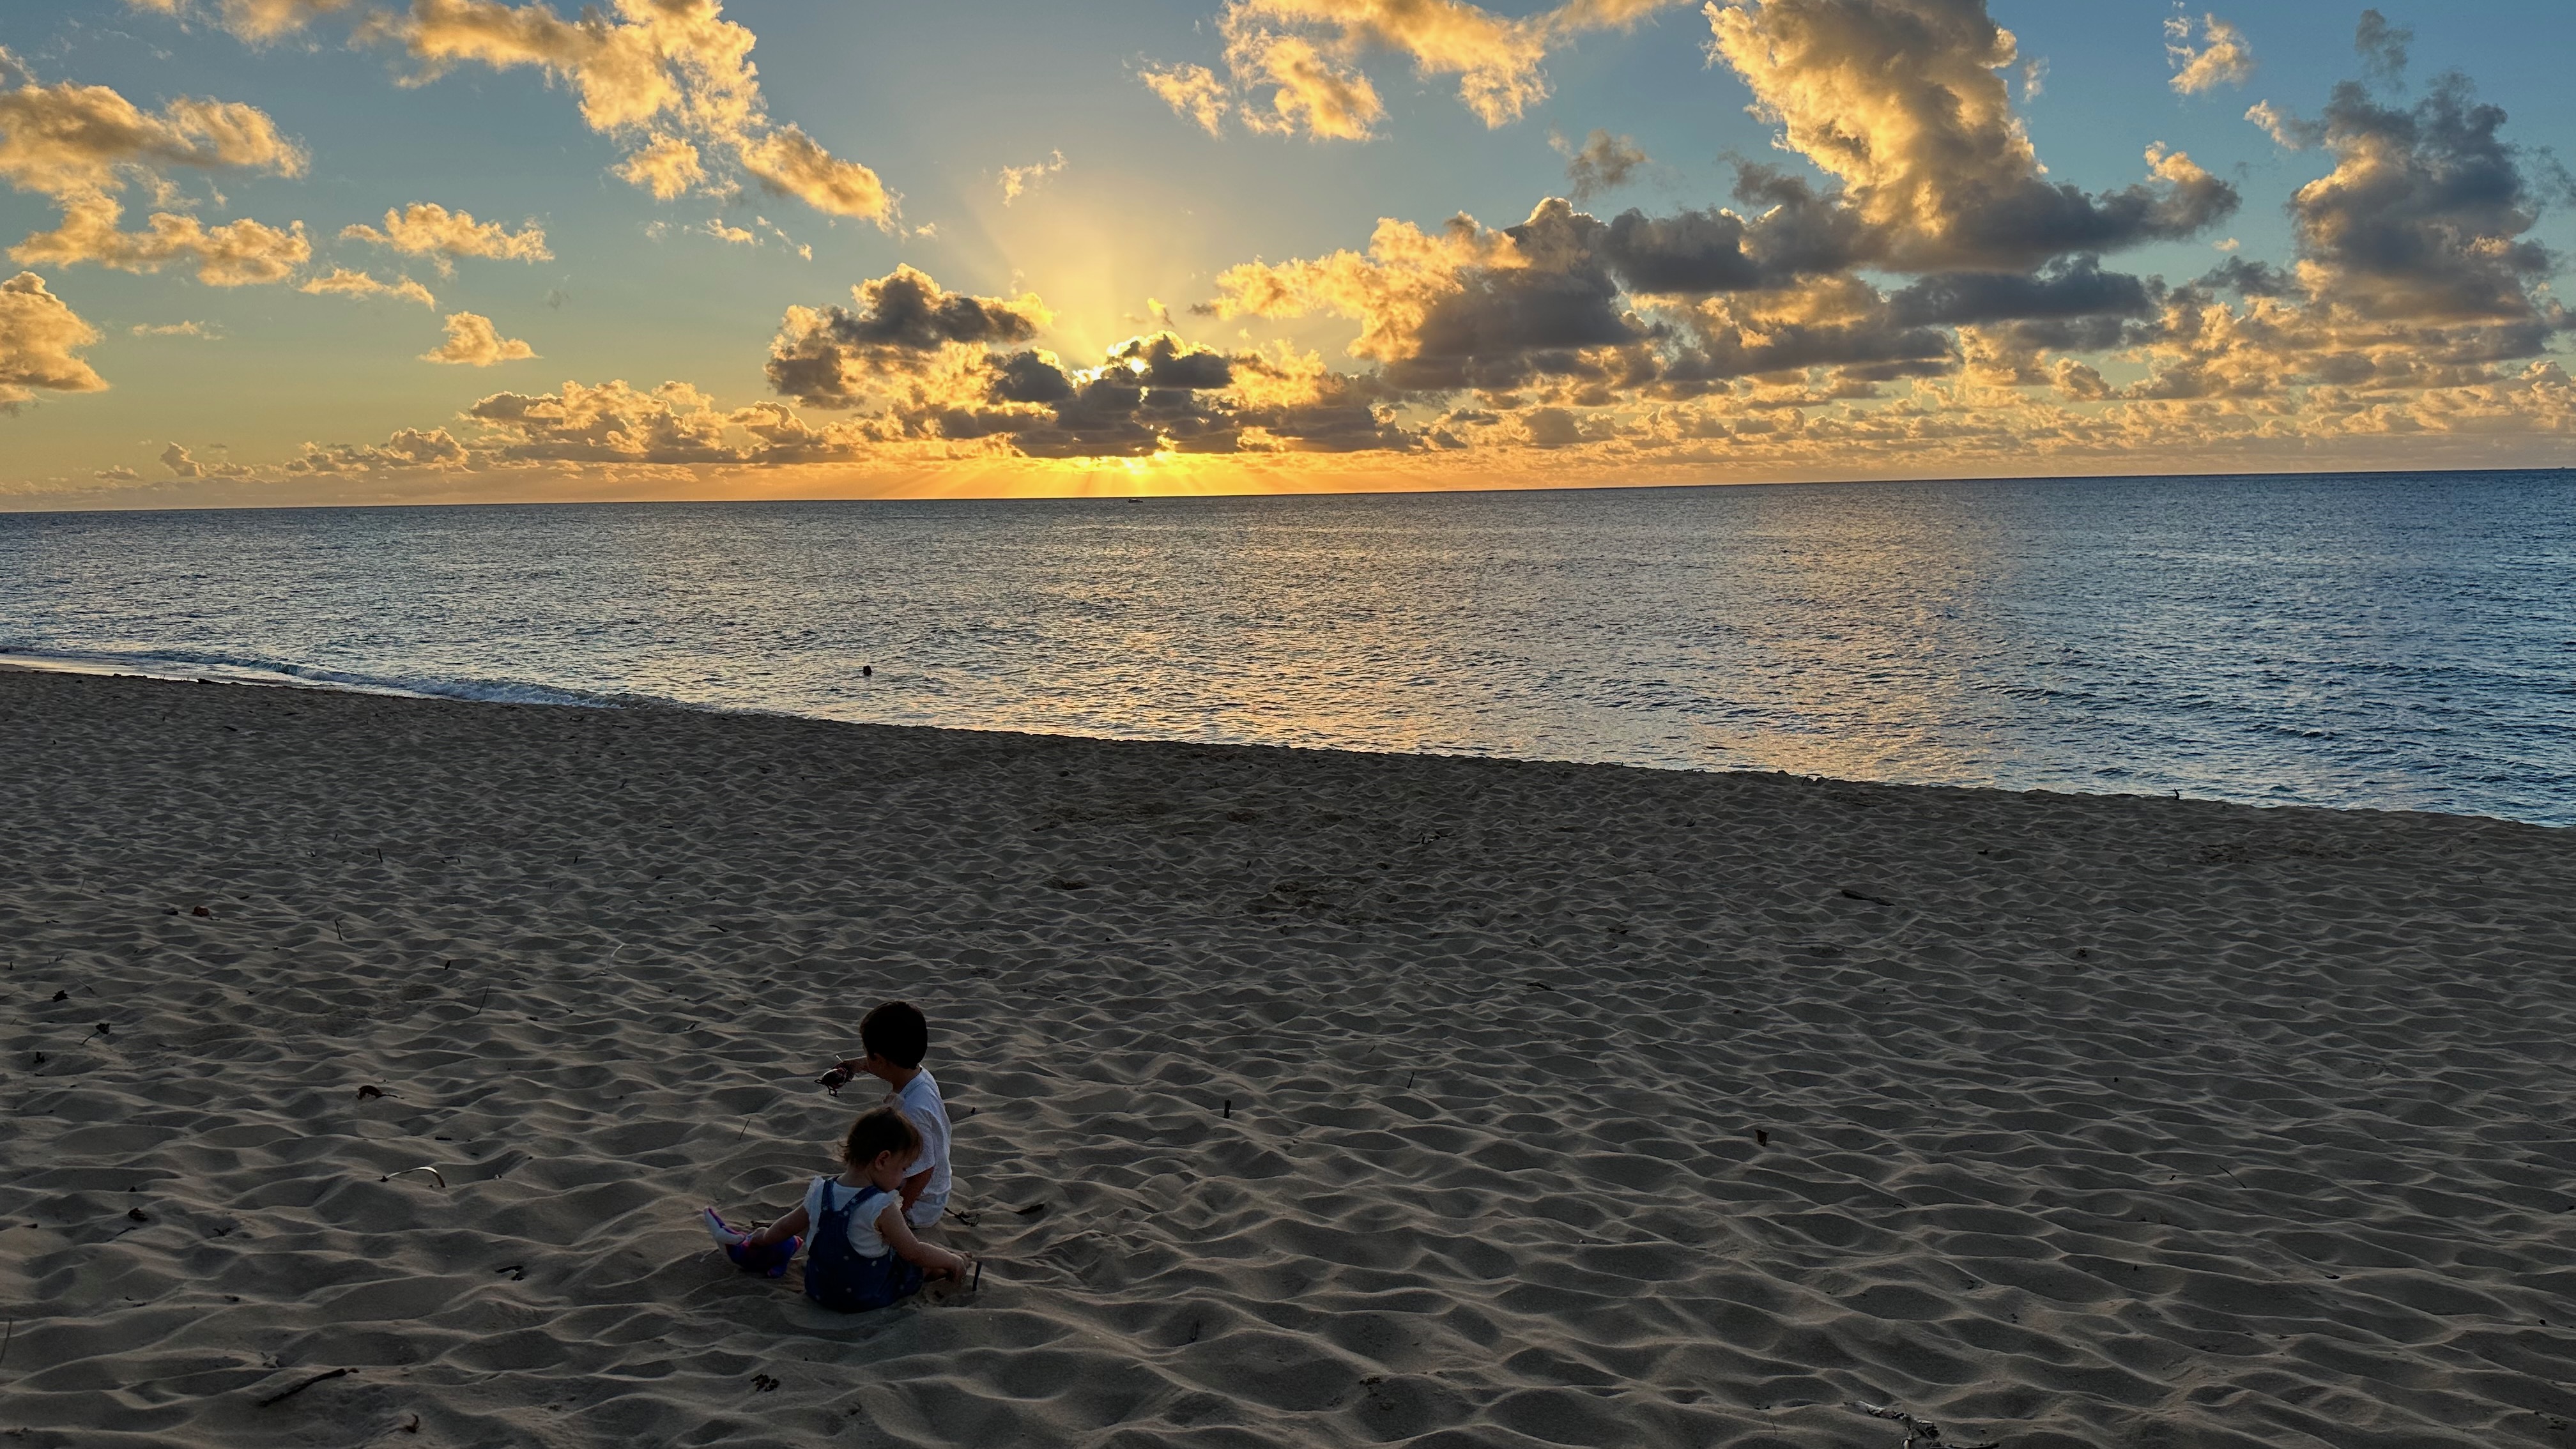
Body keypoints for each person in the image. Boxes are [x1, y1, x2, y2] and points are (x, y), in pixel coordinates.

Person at [702, 1107, 970, 1312]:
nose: (902, 1180)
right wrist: (951, 1260)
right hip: (866, 1296)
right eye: (903, 1169)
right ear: (882, 1160)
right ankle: (956, 1262)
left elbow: (784, 1228)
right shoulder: (881, 1206)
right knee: (919, 1268)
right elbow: (913, 1251)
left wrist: (759, 1239)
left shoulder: (821, 1192)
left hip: (819, 1291)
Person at [816, 1000, 954, 1229]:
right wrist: (855, 1067)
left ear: (881, 1059)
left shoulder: (914, 1110)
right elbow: (883, 1065)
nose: (867, 1060)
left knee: (841, 1211)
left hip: (921, 1204)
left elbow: (925, 1170)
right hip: (911, 1180)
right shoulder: (918, 1075)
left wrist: (897, 1215)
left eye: (868, 1056)